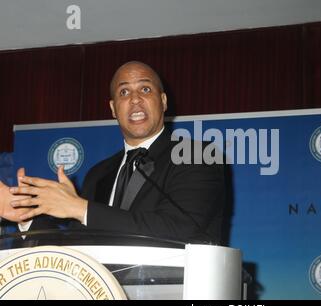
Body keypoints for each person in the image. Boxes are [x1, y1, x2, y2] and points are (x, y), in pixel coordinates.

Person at [0, 61, 225, 244]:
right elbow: (75, 250)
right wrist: (27, 217)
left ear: (163, 101)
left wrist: (79, 207)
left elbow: (182, 229)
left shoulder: (198, 155)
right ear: (113, 109)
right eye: (124, 92)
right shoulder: (99, 174)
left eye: (145, 89)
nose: (135, 99)